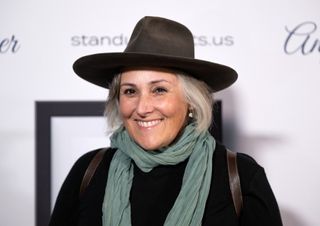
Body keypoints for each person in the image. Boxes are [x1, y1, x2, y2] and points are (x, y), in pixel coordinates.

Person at [49, 16, 282, 226]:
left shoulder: (241, 176)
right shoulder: (89, 170)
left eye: (159, 90)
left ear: (191, 100)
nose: (142, 108)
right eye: (130, 91)